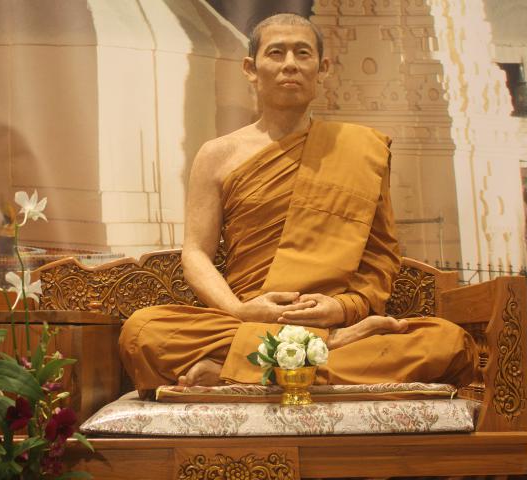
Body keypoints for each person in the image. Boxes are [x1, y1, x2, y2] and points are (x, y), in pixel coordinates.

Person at [119, 13, 477, 398]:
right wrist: (241, 310)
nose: (290, 63)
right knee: (143, 332)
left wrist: (341, 310)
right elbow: (196, 254)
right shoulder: (217, 155)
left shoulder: (361, 151)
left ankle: (235, 369)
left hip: (331, 319)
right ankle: (321, 351)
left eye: (302, 53)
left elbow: (379, 257)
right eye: (276, 52)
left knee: (448, 344)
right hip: (248, 318)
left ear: (322, 68)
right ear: (250, 68)